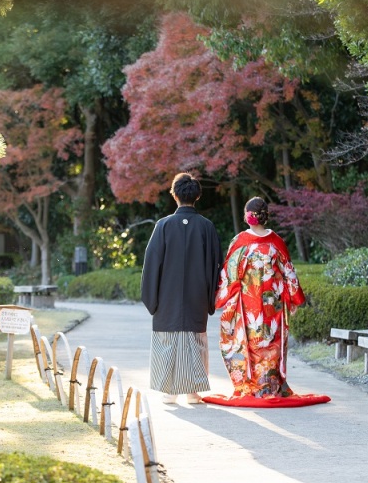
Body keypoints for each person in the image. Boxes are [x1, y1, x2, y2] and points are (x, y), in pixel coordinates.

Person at [202, 197, 330, 408]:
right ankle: (270, 387)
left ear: (247, 216)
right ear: (265, 216)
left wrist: (219, 297)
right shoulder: (276, 242)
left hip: (247, 303)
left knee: (249, 342)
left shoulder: (240, 242)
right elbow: (289, 272)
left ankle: (250, 387)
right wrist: (293, 299)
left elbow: (228, 275)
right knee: (271, 342)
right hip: (274, 304)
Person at [141, 172, 222, 404]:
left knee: (168, 340)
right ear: (196, 196)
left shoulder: (163, 225)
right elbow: (216, 263)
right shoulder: (206, 227)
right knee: (195, 341)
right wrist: (210, 297)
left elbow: (151, 263)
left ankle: (170, 391)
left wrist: (152, 298)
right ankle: (193, 392)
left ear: (174, 195)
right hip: (197, 295)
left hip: (167, 296)